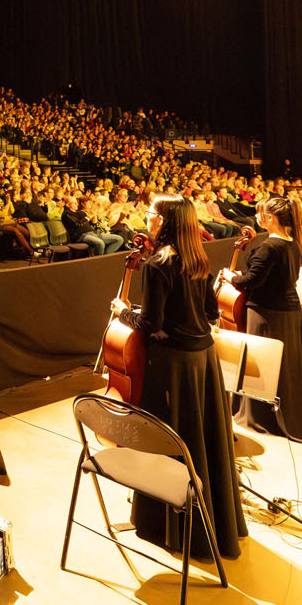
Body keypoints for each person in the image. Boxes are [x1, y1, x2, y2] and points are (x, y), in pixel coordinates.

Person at [113, 195, 246, 560]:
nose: (146, 218)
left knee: (170, 439)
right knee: (202, 438)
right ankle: (216, 521)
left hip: (172, 365)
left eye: (150, 214)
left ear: (164, 221)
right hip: (203, 360)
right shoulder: (198, 258)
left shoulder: (159, 264)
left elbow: (150, 324)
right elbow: (210, 312)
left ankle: (169, 526)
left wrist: (123, 312)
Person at [228, 198, 302, 442]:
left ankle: (263, 417)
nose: (257, 218)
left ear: (270, 217)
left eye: (259, 213)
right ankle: (292, 416)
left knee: (264, 367)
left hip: (267, 314)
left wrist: (231, 278)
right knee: (288, 367)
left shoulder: (269, 247)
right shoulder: (292, 243)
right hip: (290, 313)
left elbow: (252, 280)